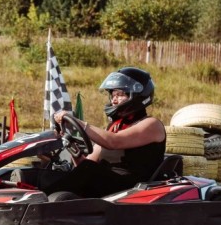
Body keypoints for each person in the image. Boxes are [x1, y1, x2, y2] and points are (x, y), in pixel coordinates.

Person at [42, 66, 166, 199]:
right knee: (47, 174)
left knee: (89, 170)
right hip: (108, 186)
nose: (114, 100)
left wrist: (77, 122)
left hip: (133, 188)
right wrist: (70, 144)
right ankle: (31, 191)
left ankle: (41, 199)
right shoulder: (114, 127)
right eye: (113, 95)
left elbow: (114, 142)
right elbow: (85, 163)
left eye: (120, 95)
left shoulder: (152, 124)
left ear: (136, 95)